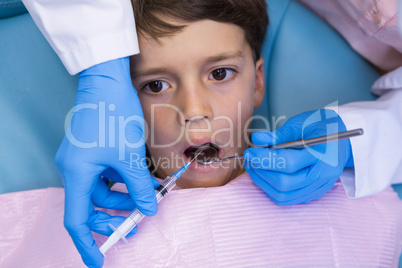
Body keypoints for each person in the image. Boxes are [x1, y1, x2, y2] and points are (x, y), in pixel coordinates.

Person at [19, 0, 402, 266]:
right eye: (155, 85)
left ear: (257, 83)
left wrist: (370, 141)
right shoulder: (87, 220)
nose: (195, 111)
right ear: (123, 104)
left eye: (219, 74)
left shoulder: (358, 198)